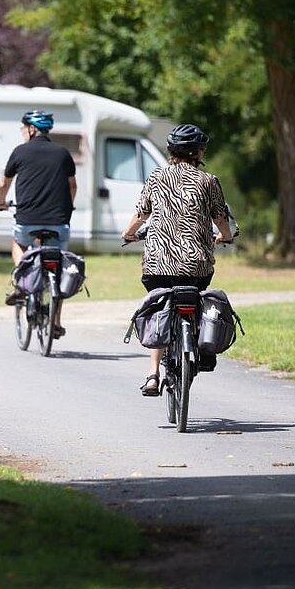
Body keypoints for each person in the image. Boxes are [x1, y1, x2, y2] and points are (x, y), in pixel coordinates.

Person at [121, 123, 232, 396]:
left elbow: (141, 214)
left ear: (171, 150)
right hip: (197, 265)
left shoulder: (157, 177)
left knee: (161, 306)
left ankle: (152, 375)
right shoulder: (209, 181)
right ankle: (199, 345)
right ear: (198, 153)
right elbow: (220, 219)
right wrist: (225, 237)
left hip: (157, 264)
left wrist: (129, 234)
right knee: (195, 298)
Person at [0, 110, 77, 337]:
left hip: (27, 220)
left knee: (18, 244)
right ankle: (56, 322)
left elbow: (4, 183)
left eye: (23, 128)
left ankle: (22, 284)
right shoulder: (63, 153)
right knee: (58, 270)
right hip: (59, 222)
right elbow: (72, 186)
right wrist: (68, 209)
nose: (22, 133)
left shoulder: (20, 152)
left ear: (31, 129)